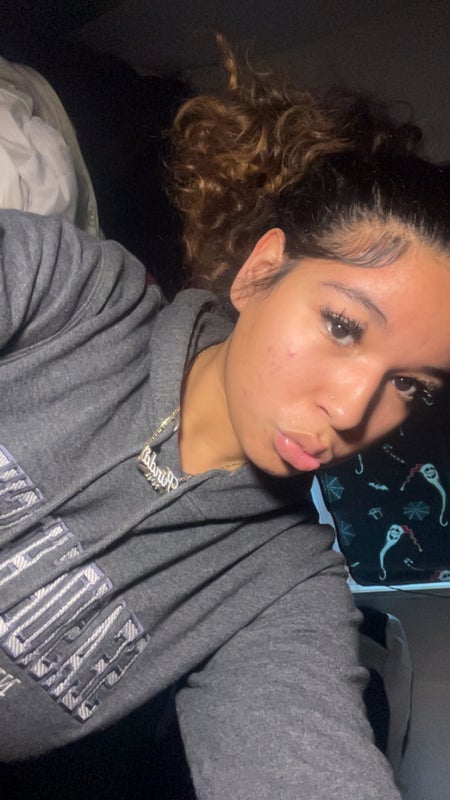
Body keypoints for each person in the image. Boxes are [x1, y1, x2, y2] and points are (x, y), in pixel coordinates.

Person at [1, 41, 449, 800]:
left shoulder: (283, 586)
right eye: (343, 326)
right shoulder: (69, 295)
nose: (351, 412)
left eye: (408, 383)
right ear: (260, 272)